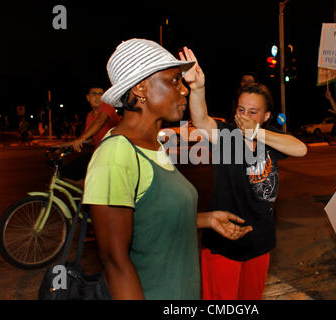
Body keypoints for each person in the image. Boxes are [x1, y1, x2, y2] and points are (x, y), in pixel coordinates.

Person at [82, 38, 252, 300]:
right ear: (140, 88)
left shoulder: (152, 144)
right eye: (174, 81)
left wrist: (206, 219)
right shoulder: (115, 154)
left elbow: (148, 218)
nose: (183, 90)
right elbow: (115, 263)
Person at [180, 47, 307, 300]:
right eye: (241, 110)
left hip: (260, 243)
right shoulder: (226, 136)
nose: (245, 117)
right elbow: (201, 120)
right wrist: (197, 88)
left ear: (266, 116)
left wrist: (256, 132)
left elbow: (301, 149)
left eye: (253, 112)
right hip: (224, 242)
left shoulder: (270, 139)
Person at [57, 85, 121, 183]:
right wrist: (60, 146)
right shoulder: (90, 116)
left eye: (100, 94)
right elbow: (87, 138)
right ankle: (87, 193)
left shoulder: (108, 107)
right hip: (98, 154)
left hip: (111, 156)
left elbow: (99, 122)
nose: (97, 97)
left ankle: (91, 193)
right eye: (94, 94)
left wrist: (81, 139)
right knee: (64, 172)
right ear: (88, 98)